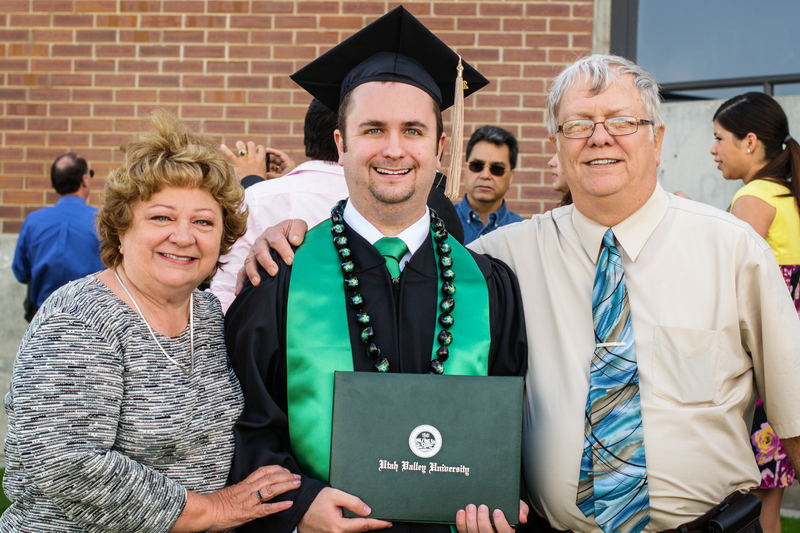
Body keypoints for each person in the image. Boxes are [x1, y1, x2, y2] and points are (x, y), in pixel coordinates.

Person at [244, 55, 800, 533]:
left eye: (622, 121)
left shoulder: (732, 250)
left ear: (656, 138)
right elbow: (241, 423)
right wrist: (298, 504)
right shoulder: (499, 259)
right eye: (577, 124)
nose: (599, 137)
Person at [224, 7, 528, 533]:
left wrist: (504, 498)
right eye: (372, 129)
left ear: (439, 148)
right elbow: (243, 425)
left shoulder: (490, 285)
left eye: (413, 130)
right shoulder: (280, 275)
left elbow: (511, 428)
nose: (393, 149)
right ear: (341, 145)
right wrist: (300, 507)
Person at [1, 110, 300, 533]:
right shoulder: (78, 319)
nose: (183, 236)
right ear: (121, 228)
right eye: (162, 217)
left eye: (203, 222)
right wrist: (212, 510)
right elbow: (66, 465)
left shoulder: (209, 314)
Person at [710, 92, 800, 533]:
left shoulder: (754, 197)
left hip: (764, 370)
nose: (713, 149)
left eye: (719, 138)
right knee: (770, 505)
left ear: (749, 142)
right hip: (789, 370)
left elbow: (728, 286)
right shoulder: (787, 196)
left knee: (748, 511)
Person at [211, 98, 349, 313]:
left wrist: (253, 184)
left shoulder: (259, 197)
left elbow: (227, 293)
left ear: (308, 134)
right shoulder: (378, 196)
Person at [12, 153, 104, 322]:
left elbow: (20, 272)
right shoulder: (101, 222)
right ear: (85, 180)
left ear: (55, 183)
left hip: (42, 321)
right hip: (90, 321)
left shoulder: (33, 222)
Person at [455, 126, 524, 243]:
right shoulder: (438, 224)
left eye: (497, 169)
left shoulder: (523, 232)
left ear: (511, 176)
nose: (485, 175)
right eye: (476, 166)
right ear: (465, 169)